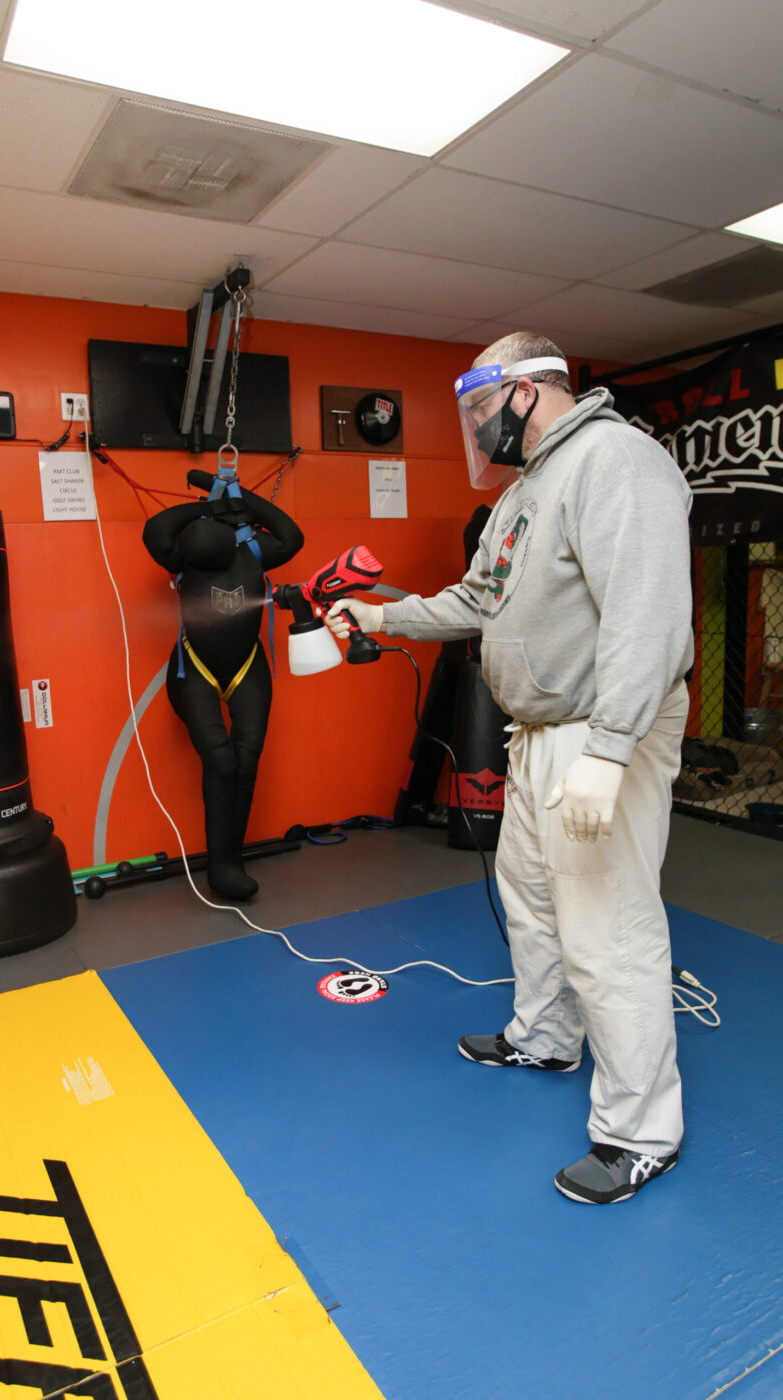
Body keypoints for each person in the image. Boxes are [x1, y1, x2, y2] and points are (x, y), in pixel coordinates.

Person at [326, 332, 695, 1205]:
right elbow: (477, 599)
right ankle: (546, 1035)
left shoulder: (616, 461)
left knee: (608, 929)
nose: (477, 429)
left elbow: (649, 617)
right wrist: (381, 618)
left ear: (528, 393)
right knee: (531, 898)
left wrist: (607, 754)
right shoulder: (528, 491)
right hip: (537, 734)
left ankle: (642, 1133)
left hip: (603, 732)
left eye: (482, 411)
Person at [143, 469, 303, 901]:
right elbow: (154, 529)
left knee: (245, 758)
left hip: (247, 664)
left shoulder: (253, 550)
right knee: (221, 760)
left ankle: (230, 862)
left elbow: (293, 537)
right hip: (193, 667)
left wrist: (241, 499)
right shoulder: (183, 557)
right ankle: (221, 867)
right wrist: (210, 504)